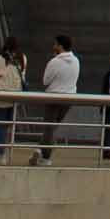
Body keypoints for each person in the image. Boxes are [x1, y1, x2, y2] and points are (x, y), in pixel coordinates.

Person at [30, 36, 79, 166]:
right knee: (52, 129)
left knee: (49, 128)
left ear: (60, 46)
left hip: (54, 97)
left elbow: (45, 81)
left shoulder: (54, 62)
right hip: (69, 99)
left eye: (55, 44)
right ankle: (40, 150)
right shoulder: (76, 61)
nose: (54, 46)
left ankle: (45, 157)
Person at [0, 37, 25, 164]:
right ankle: (3, 153)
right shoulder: (23, 58)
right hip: (15, 97)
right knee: (8, 126)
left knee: (0, 126)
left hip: (1, 96)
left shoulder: (1, 59)